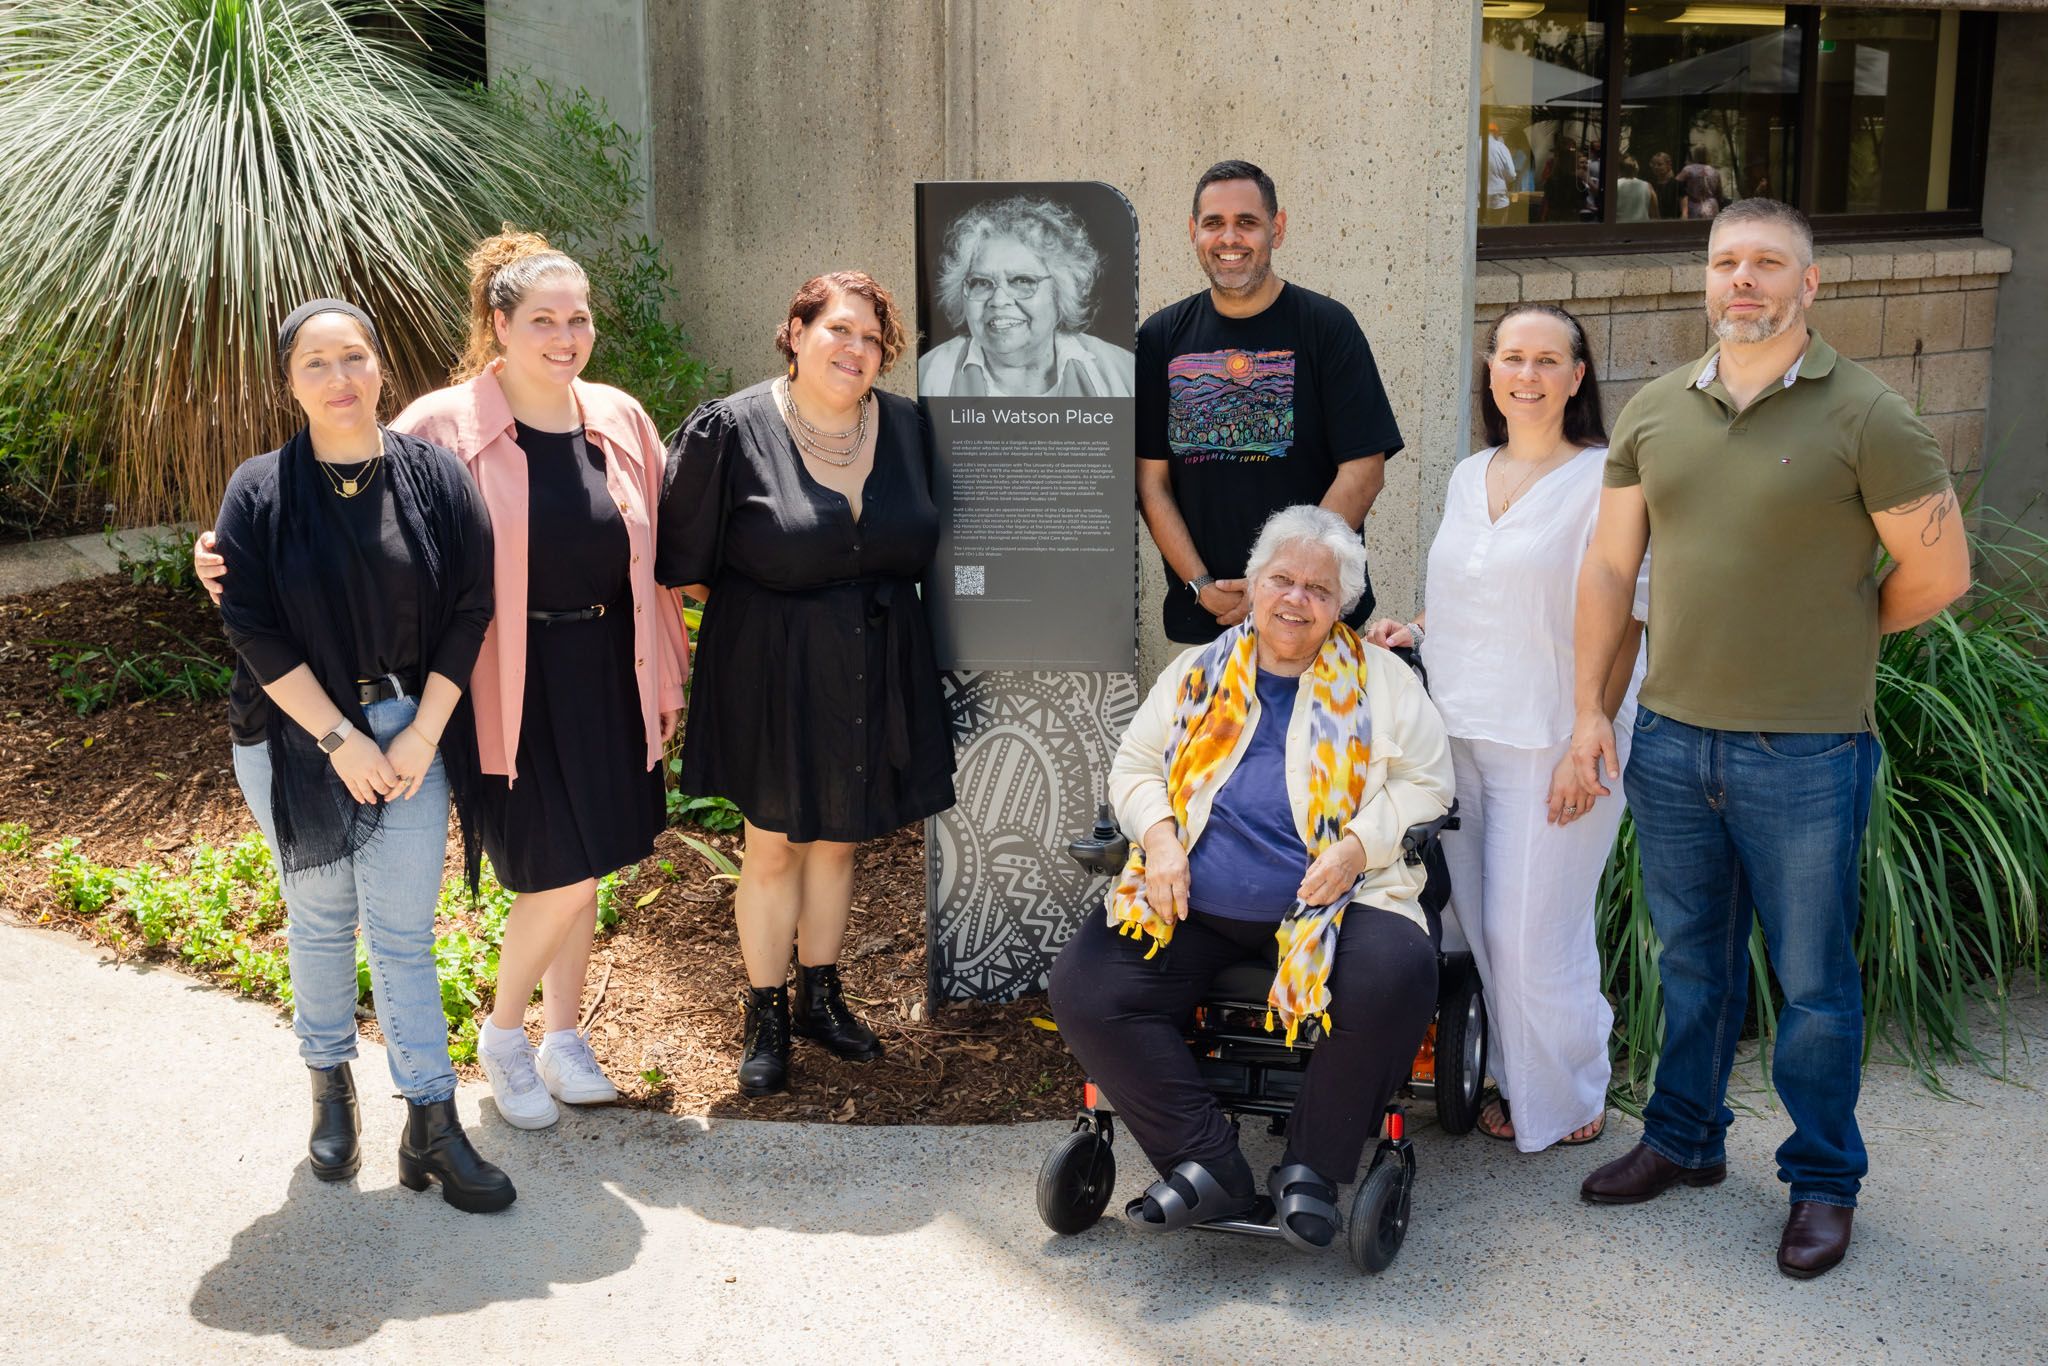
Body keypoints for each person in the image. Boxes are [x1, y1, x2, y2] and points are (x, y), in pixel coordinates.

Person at [198, 233, 689, 1133]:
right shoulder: (441, 426)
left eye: (577, 317)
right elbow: (370, 519)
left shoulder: (618, 417)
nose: (564, 334)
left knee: (596, 862)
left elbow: (665, 548)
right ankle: (505, 1036)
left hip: (609, 669)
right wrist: (223, 559)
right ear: (498, 325)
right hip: (500, 681)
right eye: (542, 318)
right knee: (561, 874)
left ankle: (564, 1034)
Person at [1571, 199, 1970, 1279]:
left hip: (1803, 752)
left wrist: (1833, 630)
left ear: (1810, 283)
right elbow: (1611, 569)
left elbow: (1938, 575)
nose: (1739, 280)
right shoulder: (1656, 410)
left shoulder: (1867, 414)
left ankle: (1822, 1180)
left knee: (1811, 980)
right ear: (1702, 280)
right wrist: (1587, 714)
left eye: (1764, 264)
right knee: (1691, 961)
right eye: (1722, 263)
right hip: (1669, 740)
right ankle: (1683, 1139)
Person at [1049, 505, 1453, 1253]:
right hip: (1195, 895)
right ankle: (1205, 1162)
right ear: (1254, 582)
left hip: (1338, 898)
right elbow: (1136, 768)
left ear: (1343, 605)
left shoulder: (1381, 680)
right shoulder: (1198, 670)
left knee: (1399, 971)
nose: (1296, 599)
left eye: (1319, 589)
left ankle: (1312, 1166)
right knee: (1088, 987)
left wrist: (1357, 847)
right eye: (1282, 579)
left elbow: (1429, 782)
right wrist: (1163, 841)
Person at [213, 299, 513, 1213]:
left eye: (354, 358)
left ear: (381, 366)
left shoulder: (434, 477)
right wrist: (337, 739)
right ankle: (329, 1086)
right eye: (316, 365)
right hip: (296, 740)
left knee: (403, 935)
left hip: (412, 731)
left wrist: (421, 732)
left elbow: (472, 605)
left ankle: (430, 1122)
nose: (340, 380)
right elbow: (252, 626)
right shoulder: (258, 490)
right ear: (288, 381)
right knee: (317, 921)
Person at [659, 272, 956, 1097]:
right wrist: (782, 612)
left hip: (877, 657)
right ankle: (766, 1017)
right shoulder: (732, 428)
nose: (855, 350)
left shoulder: (904, 427)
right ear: (796, 334)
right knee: (775, 846)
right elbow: (684, 565)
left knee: (840, 840)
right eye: (839, 330)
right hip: (772, 666)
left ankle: (821, 997)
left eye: (871, 339)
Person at [1368, 303, 1644, 1153]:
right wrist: (1417, 627)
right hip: (1457, 737)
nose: (1526, 375)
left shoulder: (1607, 481)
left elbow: (1631, 615)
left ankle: (1569, 1092)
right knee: (1472, 925)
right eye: (1511, 358)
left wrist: (1586, 735)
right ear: (1490, 371)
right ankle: (1508, 1073)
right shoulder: (1468, 473)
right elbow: (1472, 588)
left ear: (1577, 376)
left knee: (1533, 934)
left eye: (1546, 360)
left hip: (1557, 742)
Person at [1137, 159, 1403, 648]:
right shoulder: (1160, 337)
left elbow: (1364, 472)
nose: (1229, 238)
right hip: (1208, 617)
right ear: (1194, 232)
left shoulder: (1327, 327)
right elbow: (1151, 483)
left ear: (1276, 230)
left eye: (1247, 222)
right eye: (1214, 223)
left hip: (1312, 617)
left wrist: (1277, 589)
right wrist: (1201, 585)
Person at [917, 195, 1134, 398]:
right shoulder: (929, 374)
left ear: (1061, 292)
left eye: (1022, 281)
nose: (999, 301)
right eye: (981, 282)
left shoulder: (1121, 373)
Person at [1678, 145, 1723, 219]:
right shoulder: (1715, 171)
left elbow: (1676, 183)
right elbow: (1719, 193)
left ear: (1694, 155)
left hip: (1694, 205)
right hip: (1712, 206)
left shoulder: (1688, 169)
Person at [1615, 155, 1656, 222]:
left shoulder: (1614, 185)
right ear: (1636, 169)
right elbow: (1655, 214)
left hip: (1620, 228)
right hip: (1642, 228)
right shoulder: (1647, 186)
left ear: (1619, 169)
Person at [1649, 152, 1683, 221]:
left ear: (1668, 165)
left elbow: (1684, 210)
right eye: (1654, 164)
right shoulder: (1651, 185)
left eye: (1659, 164)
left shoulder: (1677, 184)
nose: (1656, 167)